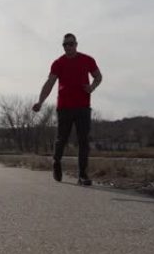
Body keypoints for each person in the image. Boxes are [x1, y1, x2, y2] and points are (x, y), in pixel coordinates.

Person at [32, 33, 102, 185]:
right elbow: (50, 83)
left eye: (71, 44)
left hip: (83, 107)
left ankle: (82, 174)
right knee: (61, 139)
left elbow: (98, 76)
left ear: (76, 44)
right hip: (64, 107)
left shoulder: (87, 60)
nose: (68, 47)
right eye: (65, 45)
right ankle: (56, 162)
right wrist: (40, 102)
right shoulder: (58, 63)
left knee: (83, 140)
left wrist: (92, 87)